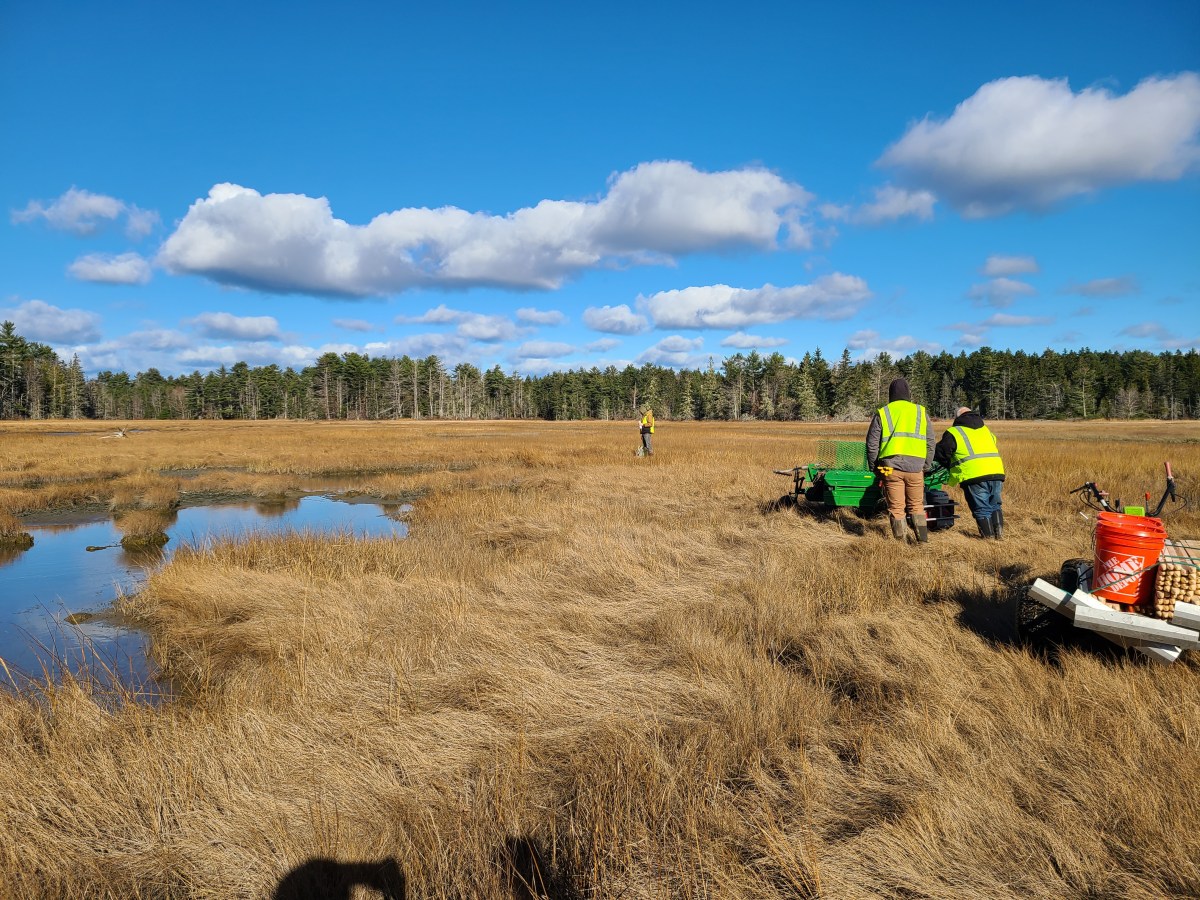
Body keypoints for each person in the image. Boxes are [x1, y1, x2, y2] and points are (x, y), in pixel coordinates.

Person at [866, 378, 934, 542]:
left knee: (896, 509)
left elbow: (871, 444)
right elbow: (930, 442)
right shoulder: (920, 412)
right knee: (917, 506)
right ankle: (923, 542)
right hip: (916, 468)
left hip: (890, 469)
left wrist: (875, 468)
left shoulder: (883, 413)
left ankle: (901, 545)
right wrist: (925, 466)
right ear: (908, 393)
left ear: (890, 394)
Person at [935, 406, 1005, 539]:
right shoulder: (986, 430)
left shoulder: (954, 432)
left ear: (957, 417)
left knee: (981, 508)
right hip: (996, 472)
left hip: (973, 475)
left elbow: (941, 453)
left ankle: (989, 539)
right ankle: (999, 536)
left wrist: (944, 465)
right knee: (995, 505)